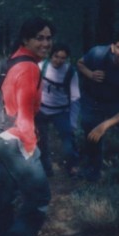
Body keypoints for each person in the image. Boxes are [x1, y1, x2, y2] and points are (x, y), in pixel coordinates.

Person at [0, 18, 54, 236]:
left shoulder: (14, 59)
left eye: (48, 38)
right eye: (39, 37)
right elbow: (24, 112)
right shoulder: (29, 67)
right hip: (15, 137)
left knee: (6, 191)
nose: (45, 43)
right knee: (39, 197)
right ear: (26, 39)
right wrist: (29, 146)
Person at [75, 27, 119, 184]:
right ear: (112, 47)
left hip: (118, 103)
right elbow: (80, 63)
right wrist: (90, 74)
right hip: (92, 100)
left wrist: (105, 125)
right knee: (91, 134)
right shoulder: (97, 53)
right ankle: (92, 174)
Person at [36, 42, 80, 178]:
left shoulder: (70, 72)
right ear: (51, 55)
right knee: (41, 141)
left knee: (68, 142)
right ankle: (47, 170)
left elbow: (75, 97)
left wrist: (72, 121)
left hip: (61, 112)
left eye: (63, 58)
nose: (59, 60)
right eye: (56, 56)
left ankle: (71, 167)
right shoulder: (40, 67)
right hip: (41, 110)